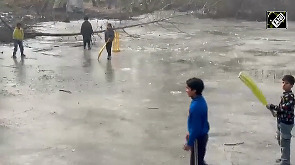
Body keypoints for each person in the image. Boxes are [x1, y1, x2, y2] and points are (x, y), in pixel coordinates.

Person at [266, 75, 295, 165]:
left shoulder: (291, 97)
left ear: (291, 85)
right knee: (280, 139)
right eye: (283, 82)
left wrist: (273, 107)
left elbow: (283, 108)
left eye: (286, 83)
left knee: (285, 141)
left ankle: (285, 162)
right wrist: (274, 111)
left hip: (286, 123)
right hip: (281, 121)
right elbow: (280, 110)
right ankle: (283, 157)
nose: (284, 85)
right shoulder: (284, 95)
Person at [183, 77, 209, 165]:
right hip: (201, 135)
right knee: (199, 161)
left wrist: (189, 143)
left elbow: (196, 128)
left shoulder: (196, 107)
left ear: (194, 90)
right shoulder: (199, 100)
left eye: (188, 88)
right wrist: (190, 132)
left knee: (196, 162)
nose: (186, 90)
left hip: (198, 138)